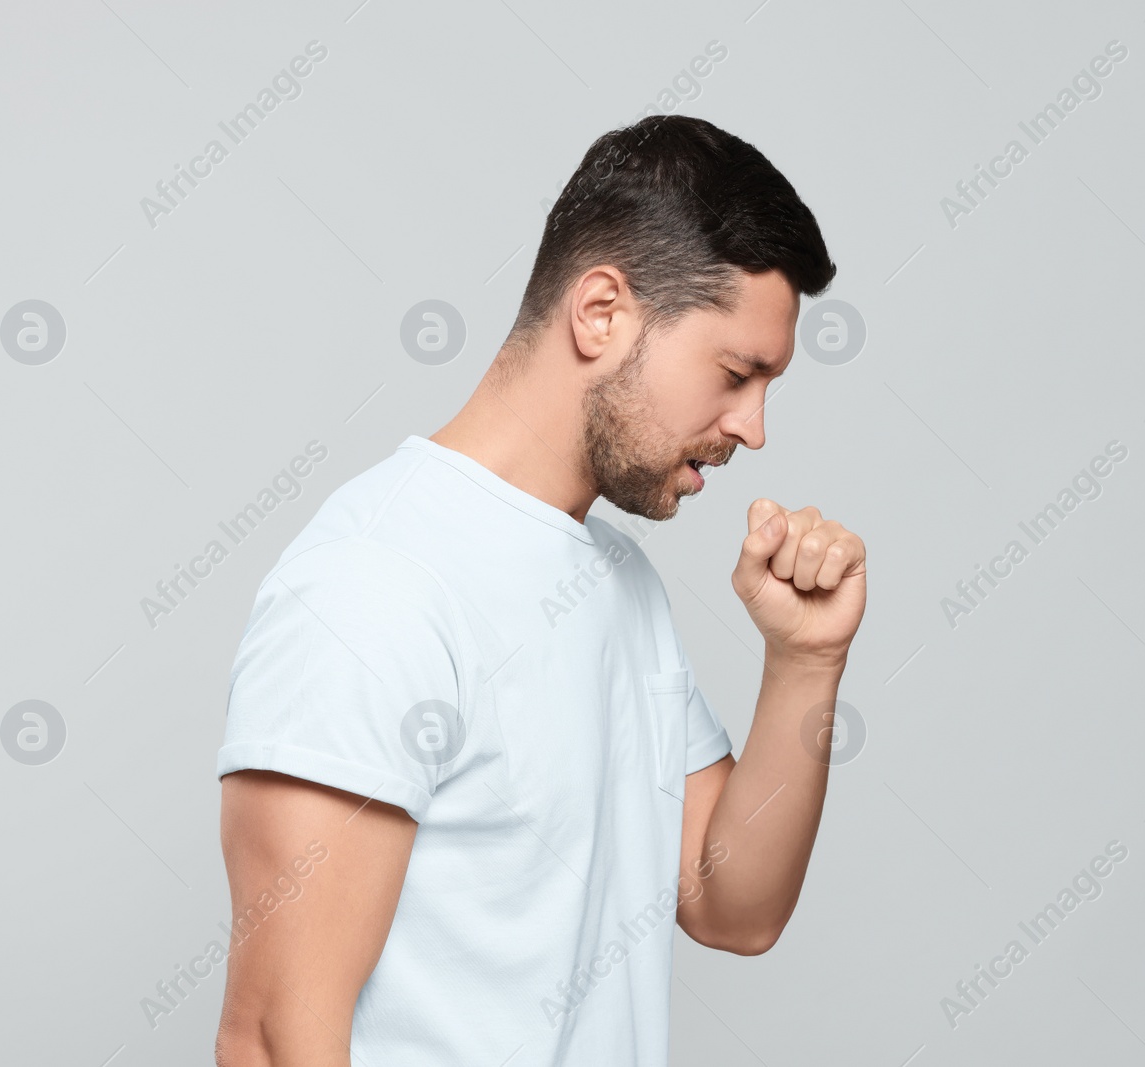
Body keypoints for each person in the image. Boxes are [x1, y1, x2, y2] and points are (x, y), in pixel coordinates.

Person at [213, 113, 866, 1067]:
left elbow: (734, 906)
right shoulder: (375, 580)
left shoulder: (619, 584)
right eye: (736, 373)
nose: (754, 427)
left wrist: (807, 660)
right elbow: (273, 1041)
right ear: (601, 312)